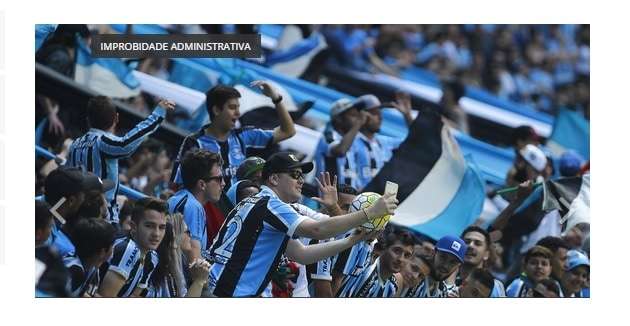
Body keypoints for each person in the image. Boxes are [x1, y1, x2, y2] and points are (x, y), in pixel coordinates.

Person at [207, 152, 398, 297]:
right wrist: (370, 213)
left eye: (301, 175)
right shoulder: (270, 203)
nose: (301, 180)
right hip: (229, 292)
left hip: (222, 288)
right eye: (294, 174)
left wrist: (353, 240)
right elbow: (317, 230)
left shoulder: (263, 204)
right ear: (273, 179)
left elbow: (302, 255)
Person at [66, 96, 175, 224]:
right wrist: (157, 114)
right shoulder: (102, 142)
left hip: (76, 213)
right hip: (103, 218)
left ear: (88, 120)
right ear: (116, 118)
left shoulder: (75, 144)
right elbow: (126, 144)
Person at [171, 81, 296, 188]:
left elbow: (288, 131)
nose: (238, 113)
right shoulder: (194, 143)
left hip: (238, 213)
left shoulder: (244, 136)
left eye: (238, 107)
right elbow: (177, 183)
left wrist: (276, 98)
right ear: (216, 110)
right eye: (232, 107)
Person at [98, 197, 167, 297]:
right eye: (149, 226)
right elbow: (105, 297)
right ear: (133, 226)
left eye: (161, 227)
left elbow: (134, 296)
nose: (156, 234)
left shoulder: (152, 257)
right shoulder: (128, 249)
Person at [167, 149, 224, 262]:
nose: (223, 184)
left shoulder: (178, 198)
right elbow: (194, 260)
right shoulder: (193, 207)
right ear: (202, 184)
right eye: (219, 179)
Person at [44, 167, 114, 257]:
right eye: (83, 196)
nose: (84, 200)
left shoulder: (46, 209)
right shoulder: (63, 247)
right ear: (72, 201)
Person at [337, 228, 415, 297]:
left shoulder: (392, 287)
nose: (401, 259)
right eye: (397, 251)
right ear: (384, 249)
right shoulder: (362, 266)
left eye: (407, 255)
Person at [353, 94, 405, 189]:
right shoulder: (351, 144)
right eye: (374, 113)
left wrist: (407, 115)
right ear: (361, 115)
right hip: (362, 200)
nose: (380, 117)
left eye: (380, 113)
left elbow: (415, 142)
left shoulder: (385, 142)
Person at [313, 98, 367, 190]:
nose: (358, 119)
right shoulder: (328, 135)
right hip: (329, 199)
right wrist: (358, 124)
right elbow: (341, 150)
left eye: (358, 116)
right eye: (353, 115)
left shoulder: (353, 140)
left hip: (349, 199)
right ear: (338, 118)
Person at [63, 218, 116, 297]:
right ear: (102, 252)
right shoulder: (74, 271)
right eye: (112, 246)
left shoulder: (92, 267)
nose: (114, 249)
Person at [459, 226, 506, 297]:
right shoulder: (443, 274)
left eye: (477, 243)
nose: (470, 246)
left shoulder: (496, 287)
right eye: (467, 242)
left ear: (486, 254)